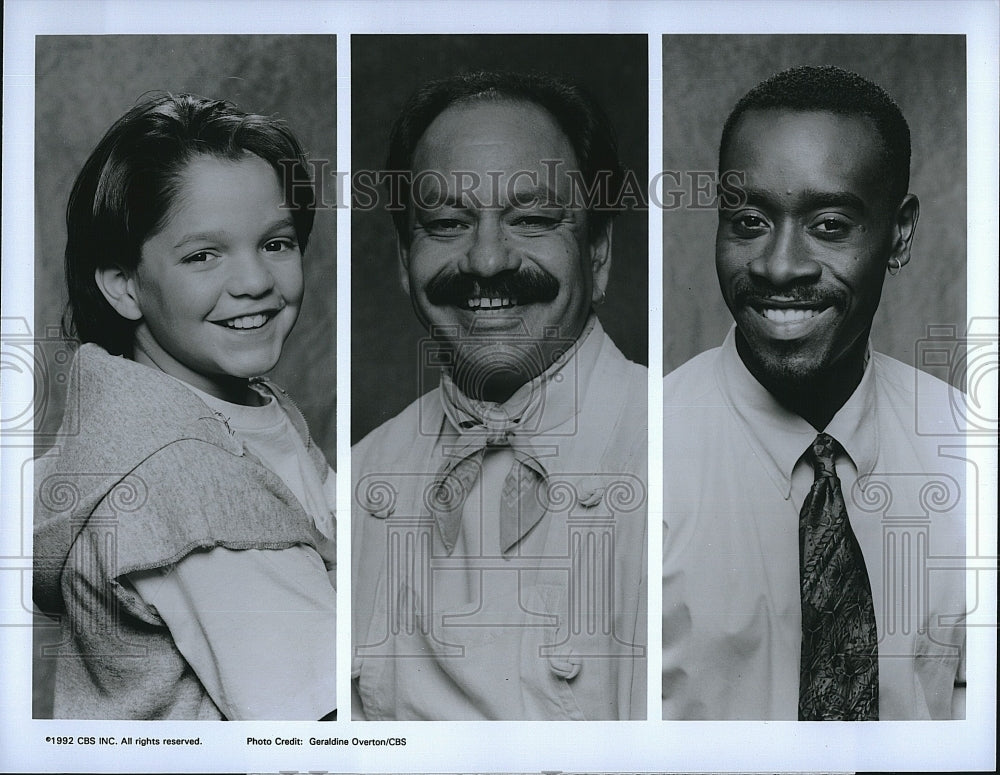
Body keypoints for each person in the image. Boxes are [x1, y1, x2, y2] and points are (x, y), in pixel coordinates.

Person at [662, 65, 966, 720]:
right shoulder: (640, 461)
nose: (778, 265)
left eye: (829, 225)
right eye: (747, 221)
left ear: (901, 234)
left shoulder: (967, 449)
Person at [352, 71, 647, 720]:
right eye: (447, 222)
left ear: (597, 254)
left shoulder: (686, 463)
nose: (487, 260)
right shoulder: (358, 480)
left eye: (534, 219)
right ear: (405, 262)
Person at [33, 93, 337, 720]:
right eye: (203, 255)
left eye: (276, 243)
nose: (254, 281)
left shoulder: (224, 406)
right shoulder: (190, 482)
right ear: (124, 285)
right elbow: (322, 727)